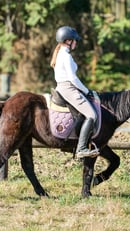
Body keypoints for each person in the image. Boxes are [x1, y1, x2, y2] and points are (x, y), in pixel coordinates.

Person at [50, 25, 99, 158]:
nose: (76, 43)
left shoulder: (60, 53)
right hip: (68, 88)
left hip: (63, 86)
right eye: (74, 40)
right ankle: (82, 148)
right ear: (68, 41)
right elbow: (73, 78)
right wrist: (86, 90)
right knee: (92, 115)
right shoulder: (66, 56)